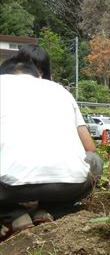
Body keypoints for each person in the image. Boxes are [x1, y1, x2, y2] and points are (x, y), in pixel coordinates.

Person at [0, 60, 103, 235]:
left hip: (7, 188)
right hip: (67, 185)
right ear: (38, 76)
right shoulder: (59, 90)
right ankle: (49, 210)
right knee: (95, 162)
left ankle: (12, 214)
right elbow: (90, 146)